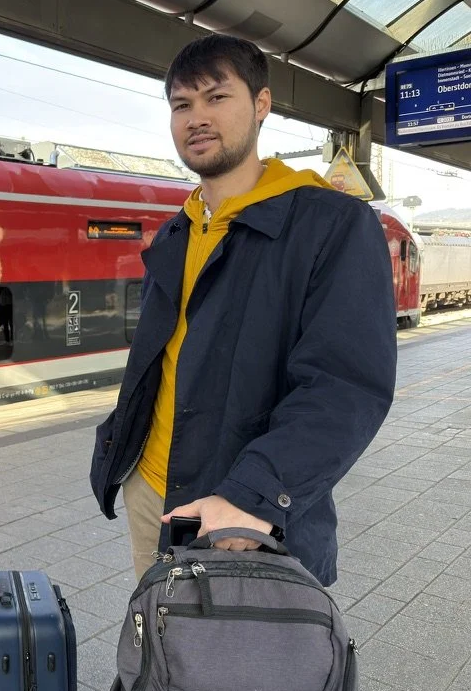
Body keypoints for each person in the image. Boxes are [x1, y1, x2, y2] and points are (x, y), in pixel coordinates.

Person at [89, 34, 396, 587]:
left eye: (216, 97)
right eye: (182, 105)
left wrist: (252, 495)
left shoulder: (331, 225)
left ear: (260, 105)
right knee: (161, 660)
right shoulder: (177, 230)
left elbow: (346, 386)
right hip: (152, 498)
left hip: (243, 514)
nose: (196, 118)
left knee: (242, 669)